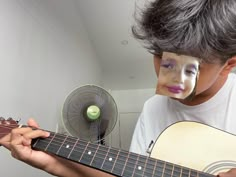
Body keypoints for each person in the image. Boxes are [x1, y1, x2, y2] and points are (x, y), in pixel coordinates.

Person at [1, 0, 236, 176]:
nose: (171, 78)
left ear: (228, 65)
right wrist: (47, 162)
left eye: (190, 69)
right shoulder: (153, 108)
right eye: (161, 58)